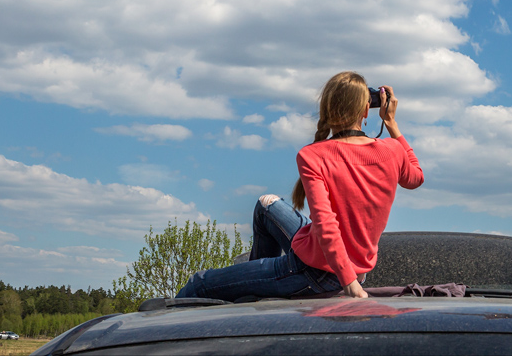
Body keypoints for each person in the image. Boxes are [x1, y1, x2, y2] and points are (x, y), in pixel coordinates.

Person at [177, 72, 424, 300]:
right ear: (367, 111)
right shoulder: (393, 151)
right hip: (345, 264)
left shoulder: (313, 155)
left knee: (199, 283)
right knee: (266, 205)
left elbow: (327, 224)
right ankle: (258, 292)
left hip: (317, 274)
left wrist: (349, 283)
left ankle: (256, 286)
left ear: (326, 108)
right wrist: (391, 123)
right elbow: (416, 178)